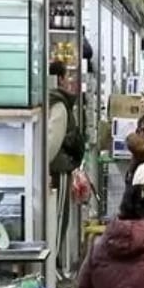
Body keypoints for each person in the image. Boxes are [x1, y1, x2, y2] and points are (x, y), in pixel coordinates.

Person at [47, 61, 85, 271]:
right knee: (59, 219)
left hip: (53, 169)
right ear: (59, 78)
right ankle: (54, 268)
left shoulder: (50, 101)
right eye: (66, 76)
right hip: (58, 169)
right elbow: (52, 142)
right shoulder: (59, 104)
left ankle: (54, 266)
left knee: (56, 219)